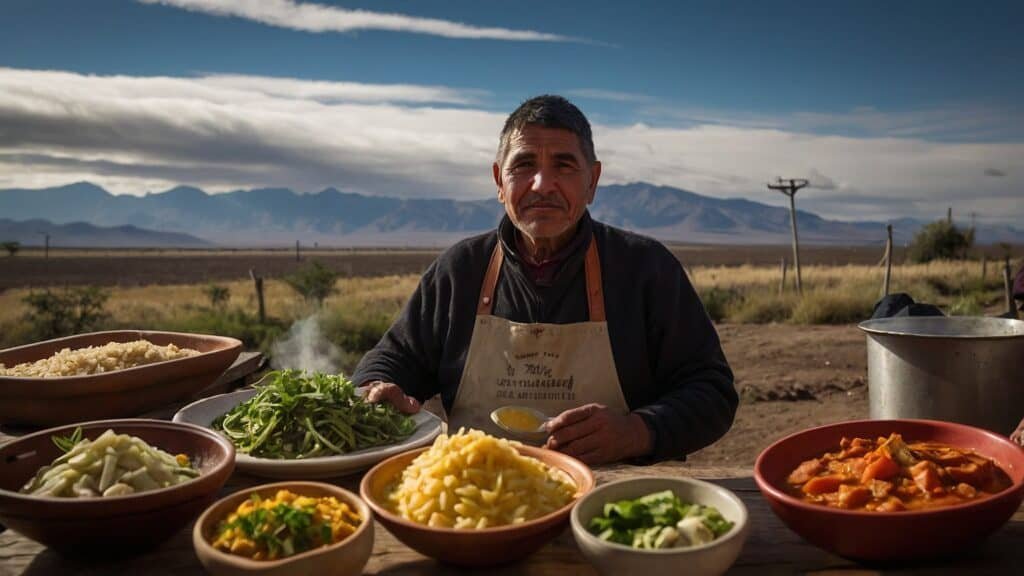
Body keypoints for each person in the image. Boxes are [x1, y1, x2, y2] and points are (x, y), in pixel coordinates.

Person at [352, 95, 737, 465]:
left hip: (611, 506)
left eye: (564, 165)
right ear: (498, 181)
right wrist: (377, 388)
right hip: (477, 505)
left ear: (593, 181)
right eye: (523, 165)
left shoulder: (646, 269)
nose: (541, 185)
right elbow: (391, 362)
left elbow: (712, 392)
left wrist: (636, 432)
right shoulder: (460, 271)